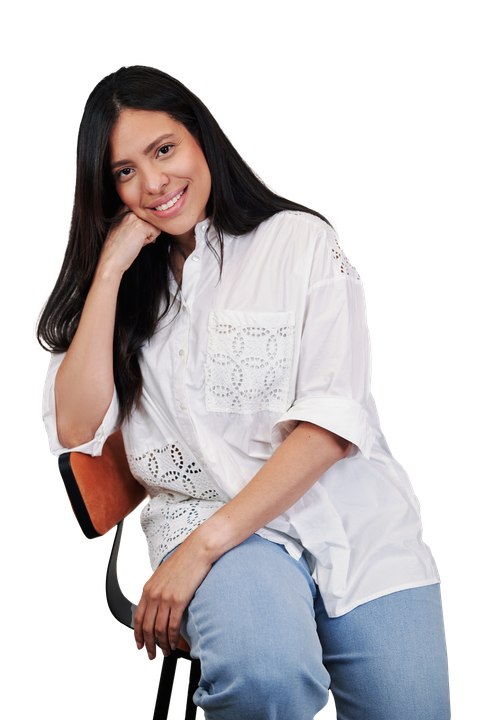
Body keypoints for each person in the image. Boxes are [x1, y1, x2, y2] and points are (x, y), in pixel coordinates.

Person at [35, 65, 451, 719]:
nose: (152, 184)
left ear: (201, 137)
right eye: (124, 172)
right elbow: (79, 426)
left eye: (163, 150)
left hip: (348, 522)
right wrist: (111, 269)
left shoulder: (300, 242)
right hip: (202, 515)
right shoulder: (128, 289)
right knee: (269, 681)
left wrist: (200, 551)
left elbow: (327, 427)